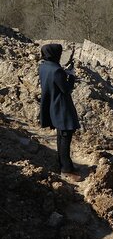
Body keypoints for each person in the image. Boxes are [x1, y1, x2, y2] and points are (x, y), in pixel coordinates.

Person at [38, 44, 82, 182]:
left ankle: (64, 163)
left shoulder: (43, 66)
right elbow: (66, 89)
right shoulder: (57, 70)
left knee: (60, 136)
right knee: (65, 138)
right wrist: (72, 77)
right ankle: (66, 170)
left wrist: (64, 74)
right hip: (62, 108)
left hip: (52, 105)